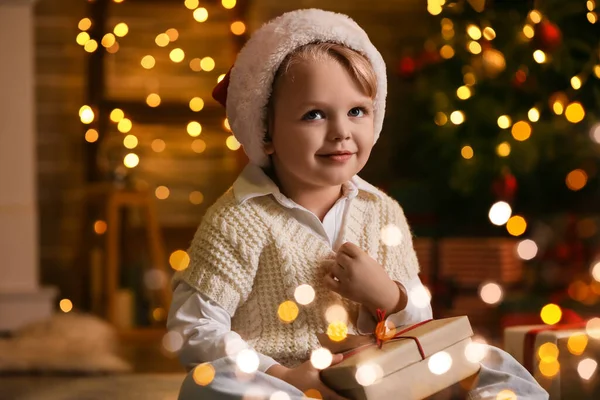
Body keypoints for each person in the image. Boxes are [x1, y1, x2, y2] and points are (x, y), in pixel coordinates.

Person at [167, 8, 548, 400]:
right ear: (265, 131)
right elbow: (195, 330)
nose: (341, 132)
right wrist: (286, 375)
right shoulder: (237, 219)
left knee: (489, 359)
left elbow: (420, 324)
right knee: (211, 384)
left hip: (380, 377)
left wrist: (389, 296)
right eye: (314, 114)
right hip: (286, 386)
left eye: (356, 111)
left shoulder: (382, 211)